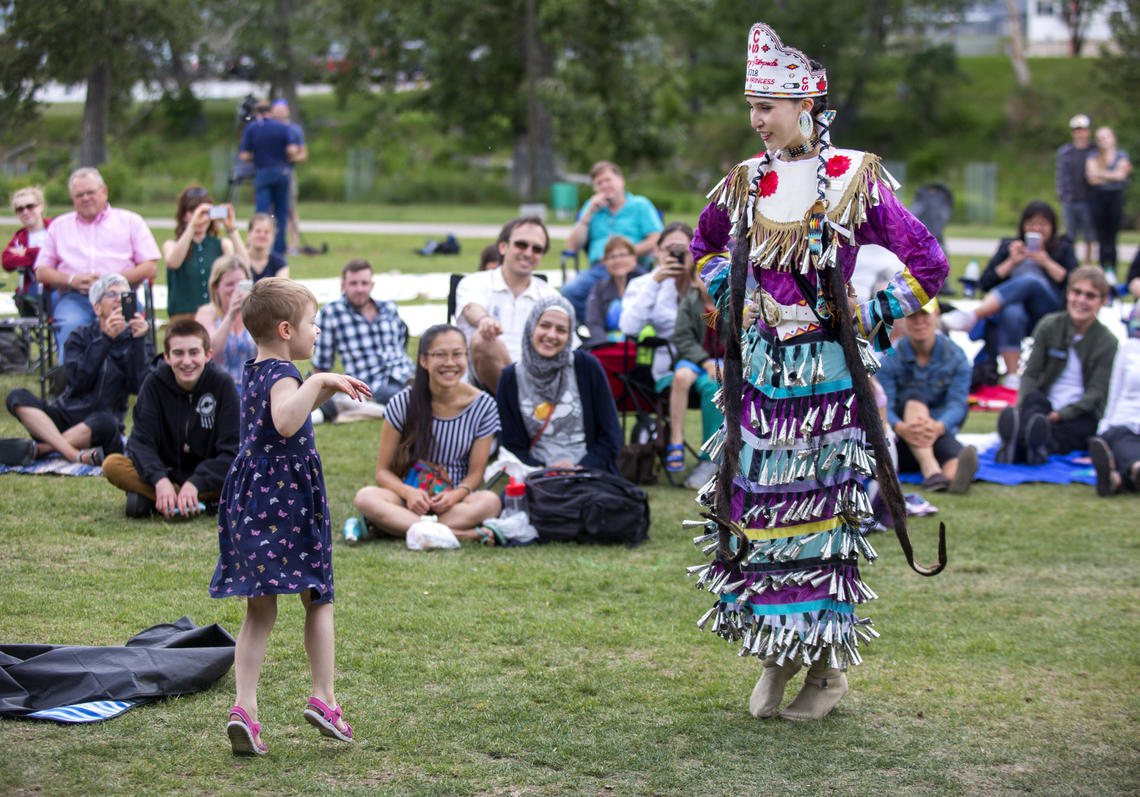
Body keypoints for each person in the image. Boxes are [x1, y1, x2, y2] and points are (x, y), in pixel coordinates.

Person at [687, 23, 949, 722]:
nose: (756, 120)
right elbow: (703, 245)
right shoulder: (748, 182)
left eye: (766, 106)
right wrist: (730, 297)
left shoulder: (852, 177)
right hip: (765, 380)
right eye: (751, 107)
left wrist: (876, 311)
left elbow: (930, 263)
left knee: (821, 519)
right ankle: (777, 654)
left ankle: (826, 667)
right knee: (762, 511)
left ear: (804, 103)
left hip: (830, 380)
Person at [208, 277, 371, 756]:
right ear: (285, 329)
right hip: (288, 499)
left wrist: (322, 390)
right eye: (312, 323)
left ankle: (245, 708)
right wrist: (319, 379)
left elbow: (288, 416)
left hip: (251, 498)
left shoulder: (256, 366)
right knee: (317, 597)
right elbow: (285, 420)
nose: (316, 331)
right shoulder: (284, 372)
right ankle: (324, 698)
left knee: (259, 611)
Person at [352, 324, 502, 544]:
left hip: (454, 503)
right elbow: (382, 473)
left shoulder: (484, 406)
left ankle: (396, 526)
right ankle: (459, 534)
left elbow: (476, 475)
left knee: (491, 501)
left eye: (457, 354)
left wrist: (454, 496)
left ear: (466, 358)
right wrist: (408, 493)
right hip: (408, 500)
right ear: (423, 361)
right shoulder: (403, 402)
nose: (450, 363)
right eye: (440, 355)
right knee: (366, 497)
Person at [0, 274, 151, 467]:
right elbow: (78, 381)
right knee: (17, 396)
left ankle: (42, 449)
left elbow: (140, 386)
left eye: (125, 296)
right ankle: (72, 453)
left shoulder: (136, 339)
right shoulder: (79, 336)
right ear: (97, 307)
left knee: (107, 421)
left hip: (102, 426)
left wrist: (138, 342)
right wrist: (104, 340)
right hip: (66, 415)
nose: (119, 301)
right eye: (112, 294)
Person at [102, 319, 240, 518]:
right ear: (166, 356)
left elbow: (232, 451)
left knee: (246, 476)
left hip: (208, 478)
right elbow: (139, 443)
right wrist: (160, 480)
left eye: (194, 352)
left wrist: (196, 483)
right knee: (112, 465)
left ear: (208, 355)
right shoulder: (153, 384)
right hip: (164, 473)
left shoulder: (223, 385)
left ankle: (162, 500)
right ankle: (181, 499)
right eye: (178, 353)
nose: (186, 361)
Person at [942, 201, 1079, 389]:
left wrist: (1046, 261)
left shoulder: (1062, 248)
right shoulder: (1009, 247)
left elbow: (1075, 282)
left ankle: (973, 316)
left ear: (1052, 227)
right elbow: (985, 282)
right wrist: (1011, 262)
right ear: (1023, 226)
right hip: (1018, 315)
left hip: (1048, 309)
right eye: (1031, 224)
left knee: (1031, 281)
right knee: (1012, 311)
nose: (1037, 229)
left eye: (1042, 224)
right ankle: (1013, 375)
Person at [995, 266, 1117, 465]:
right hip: (1044, 406)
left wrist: (1060, 415)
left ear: (1103, 301)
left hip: (1077, 412)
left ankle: (1018, 446)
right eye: (1076, 292)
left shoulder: (1107, 342)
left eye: (1090, 296)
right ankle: (1033, 445)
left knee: (1077, 428)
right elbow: (1030, 374)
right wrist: (1022, 405)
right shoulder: (1049, 325)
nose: (1081, 301)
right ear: (1068, 293)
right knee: (1034, 405)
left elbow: (1096, 393)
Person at [32, 168, 159, 359]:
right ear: (73, 199)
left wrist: (112, 282)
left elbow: (150, 267)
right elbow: (41, 271)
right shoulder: (59, 226)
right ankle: (71, 383)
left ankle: (126, 380)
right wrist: (72, 280)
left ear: (104, 191)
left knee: (126, 329)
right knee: (70, 326)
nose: (85, 198)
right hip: (76, 298)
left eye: (90, 192)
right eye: (79, 195)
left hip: (123, 297)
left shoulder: (131, 221)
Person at [497, 296, 622, 475]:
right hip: (536, 475)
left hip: (588, 472)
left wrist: (579, 468)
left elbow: (611, 437)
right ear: (532, 326)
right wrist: (543, 470)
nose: (551, 335)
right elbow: (511, 445)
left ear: (569, 335)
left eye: (561, 330)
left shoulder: (586, 367)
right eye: (545, 326)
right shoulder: (510, 378)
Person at [876, 299, 977, 493]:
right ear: (904, 320)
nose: (919, 321)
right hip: (901, 438)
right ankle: (931, 469)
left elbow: (957, 404)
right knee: (914, 397)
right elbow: (884, 403)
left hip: (937, 432)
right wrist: (900, 426)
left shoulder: (956, 356)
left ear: (937, 315)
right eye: (913, 316)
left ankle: (952, 477)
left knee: (953, 456)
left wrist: (937, 427)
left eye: (924, 314)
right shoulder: (891, 357)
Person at [455, 216, 560, 394]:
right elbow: (470, 308)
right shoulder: (475, 282)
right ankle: (518, 405)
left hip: (536, 380)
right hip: (483, 384)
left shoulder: (550, 296)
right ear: (503, 247)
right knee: (484, 340)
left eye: (537, 249)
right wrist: (485, 320)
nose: (528, 253)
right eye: (521, 245)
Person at [560, 161, 664, 319]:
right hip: (599, 270)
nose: (604, 185)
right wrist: (587, 214)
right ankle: (597, 331)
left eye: (608, 180)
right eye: (599, 183)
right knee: (569, 293)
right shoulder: (591, 208)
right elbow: (572, 246)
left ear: (621, 181)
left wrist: (624, 254)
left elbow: (657, 239)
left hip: (633, 267)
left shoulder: (640, 205)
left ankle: (630, 330)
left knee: (653, 295)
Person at [312, 259, 415, 407]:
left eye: (364, 283)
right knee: (409, 399)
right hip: (374, 384)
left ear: (372, 285)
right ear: (343, 286)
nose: (359, 289)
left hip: (407, 373)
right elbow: (321, 366)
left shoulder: (389, 308)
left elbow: (401, 341)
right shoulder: (332, 314)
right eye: (353, 283)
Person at [666, 265, 727, 489]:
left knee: (714, 384)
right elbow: (682, 338)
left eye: (714, 277)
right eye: (702, 278)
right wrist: (703, 360)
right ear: (694, 281)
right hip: (694, 359)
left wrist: (728, 363)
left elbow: (740, 338)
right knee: (681, 377)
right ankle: (676, 439)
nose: (707, 282)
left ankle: (708, 456)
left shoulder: (729, 302)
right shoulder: (690, 303)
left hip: (722, 362)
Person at [161, 186, 247, 323]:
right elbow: (173, 262)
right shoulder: (171, 245)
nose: (200, 217)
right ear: (183, 215)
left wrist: (231, 229)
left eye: (205, 212)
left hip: (214, 315)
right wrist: (192, 227)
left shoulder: (222, 245)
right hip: (183, 317)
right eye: (192, 211)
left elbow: (244, 266)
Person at [238, 106, 303, 257]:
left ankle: (255, 244)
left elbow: (244, 155)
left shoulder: (252, 128)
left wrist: (258, 156)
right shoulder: (282, 127)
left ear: (256, 113)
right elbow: (293, 150)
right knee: (281, 211)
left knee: (262, 210)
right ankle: (279, 248)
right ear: (271, 112)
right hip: (282, 171)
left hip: (262, 171)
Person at [1088, 309, 1140, 496]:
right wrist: (1104, 427)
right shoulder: (1128, 349)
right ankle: (1134, 470)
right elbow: (1114, 391)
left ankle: (1116, 479)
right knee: (1124, 443)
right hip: (1125, 423)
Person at [195, 255, 257, 394]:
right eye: (229, 285)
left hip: (253, 389)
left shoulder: (257, 314)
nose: (236, 290)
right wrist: (230, 315)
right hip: (217, 389)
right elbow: (209, 352)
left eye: (241, 284)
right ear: (216, 287)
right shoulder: (206, 314)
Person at [1086, 125, 1132, 279]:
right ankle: (1101, 269)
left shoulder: (1121, 155)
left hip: (1115, 198)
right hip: (1098, 198)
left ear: (1113, 138)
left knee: (1112, 236)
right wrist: (1112, 175)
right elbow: (1091, 178)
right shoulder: (1093, 155)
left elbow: (1121, 176)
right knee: (1100, 236)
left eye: (1105, 137)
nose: (1103, 141)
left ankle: (1112, 269)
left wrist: (1101, 175)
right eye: (1099, 138)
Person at [584, 235, 645, 347]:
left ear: (634, 257)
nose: (618, 260)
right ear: (605, 262)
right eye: (611, 257)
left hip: (642, 348)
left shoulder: (647, 284)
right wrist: (605, 346)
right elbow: (593, 323)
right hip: (607, 348)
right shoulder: (599, 288)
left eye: (623, 255)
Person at [3, 186, 52, 314]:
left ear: (41, 206)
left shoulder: (54, 228)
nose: (25, 212)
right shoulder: (20, 237)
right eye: (20, 209)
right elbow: (6, 261)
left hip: (58, 284)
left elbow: (59, 253)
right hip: (33, 287)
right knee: (25, 298)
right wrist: (39, 255)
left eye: (30, 206)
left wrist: (26, 252)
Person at [1055, 114, 1095, 266]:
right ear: (1073, 132)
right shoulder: (1065, 152)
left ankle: (1088, 263)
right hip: (1070, 199)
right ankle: (1072, 262)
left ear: (1088, 131)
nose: (1080, 133)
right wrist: (1063, 196)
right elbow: (1060, 175)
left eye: (1082, 130)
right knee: (1070, 235)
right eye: (1077, 130)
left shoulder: (1094, 151)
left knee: (1089, 235)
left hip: (1089, 199)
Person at [270, 99, 308, 256]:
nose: (279, 112)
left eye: (282, 109)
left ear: (287, 111)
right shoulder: (268, 129)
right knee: (271, 210)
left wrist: (291, 157)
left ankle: (292, 245)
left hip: (287, 173)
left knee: (290, 209)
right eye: (276, 109)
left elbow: (303, 153)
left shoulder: (294, 130)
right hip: (271, 172)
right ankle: (273, 244)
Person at [245, 213, 289, 281]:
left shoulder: (279, 263)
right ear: (249, 234)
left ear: (273, 236)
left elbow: (281, 289)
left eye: (266, 232)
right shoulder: (238, 261)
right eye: (258, 231)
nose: (262, 235)